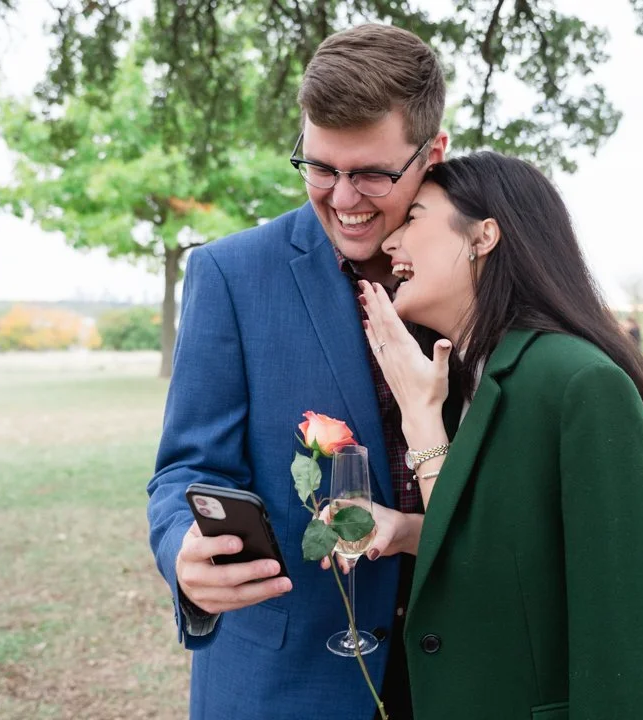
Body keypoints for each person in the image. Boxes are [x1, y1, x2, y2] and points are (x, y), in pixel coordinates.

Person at [146, 24, 450, 720]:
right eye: (319, 167)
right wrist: (181, 551)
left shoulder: (483, 271)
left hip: (460, 672)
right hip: (284, 682)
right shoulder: (230, 274)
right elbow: (185, 469)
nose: (343, 198)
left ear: (432, 153)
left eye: (372, 172)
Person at [357, 152, 643, 719]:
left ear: (483, 236)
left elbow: (627, 639)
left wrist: (420, 420)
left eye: (414, 218)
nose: (390, 243)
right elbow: (504, 559)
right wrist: (404, 531)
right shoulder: (461, 379)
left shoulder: (581, 384)